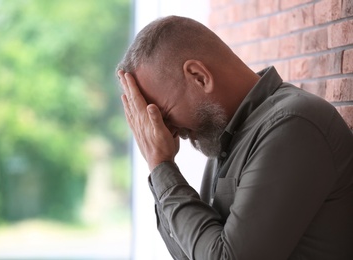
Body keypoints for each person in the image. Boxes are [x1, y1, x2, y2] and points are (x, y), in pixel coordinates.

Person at [116, 15, 353, 260]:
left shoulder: (294, 124)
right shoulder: (226, 141)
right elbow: (190, 255)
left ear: (199, 77)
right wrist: (160, 170)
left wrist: (162, 166)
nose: (167, 132)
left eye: (163, 115)